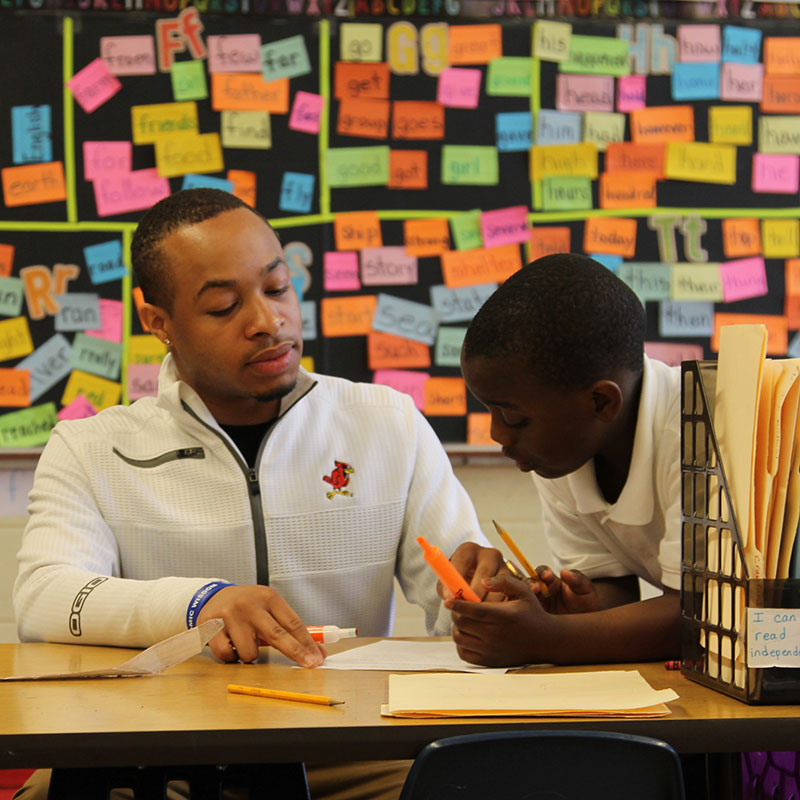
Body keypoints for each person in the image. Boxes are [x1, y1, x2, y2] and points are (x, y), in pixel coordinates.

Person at [13, 188, 500, 799]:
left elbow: (458, 579)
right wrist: (200, 606)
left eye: (277, 289)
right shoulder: (92, 447)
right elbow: (44, 598)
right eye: (222, 306)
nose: (268, 322)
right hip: (162, 755)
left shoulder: (384, 422)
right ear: (158, 322)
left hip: (349, 749)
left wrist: (485, 595)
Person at [449, 253, 681, 668]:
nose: (498, 435)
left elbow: (709, 616)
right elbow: (611, 587)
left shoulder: (701, 431)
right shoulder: (564, 451)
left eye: (514, 418)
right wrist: (561, 611)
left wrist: (549, 640)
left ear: (601, 400)